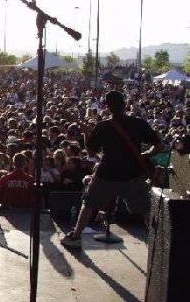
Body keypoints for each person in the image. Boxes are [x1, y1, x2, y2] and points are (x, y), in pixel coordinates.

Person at [60, 90, 162, 250]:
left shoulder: (103, 126)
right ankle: (159, 244)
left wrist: (86, 132)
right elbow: (159, 145)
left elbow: (91, 150)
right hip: (132, 175)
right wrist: (145, 154)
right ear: (124, 105)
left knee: (88, 204)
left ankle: (76, 236)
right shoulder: (138, 123)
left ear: (107, 107)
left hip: (106, 175)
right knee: (145, 209)